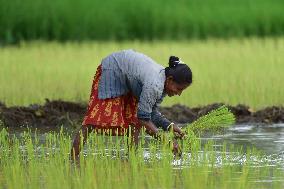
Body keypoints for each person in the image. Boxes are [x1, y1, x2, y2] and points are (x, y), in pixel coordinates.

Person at [71, 49, 192, 158]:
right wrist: (168, 142)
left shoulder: (162, 84)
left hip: (128, 76)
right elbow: (144, 118)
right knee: (93, 120)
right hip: (113, 70)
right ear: (170, 79)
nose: (179, 93)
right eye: (178, 89)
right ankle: (72, 159)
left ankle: (131, 160)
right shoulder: (154, 85)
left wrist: (170, 127)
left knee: (134, 122)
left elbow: (151, 113)